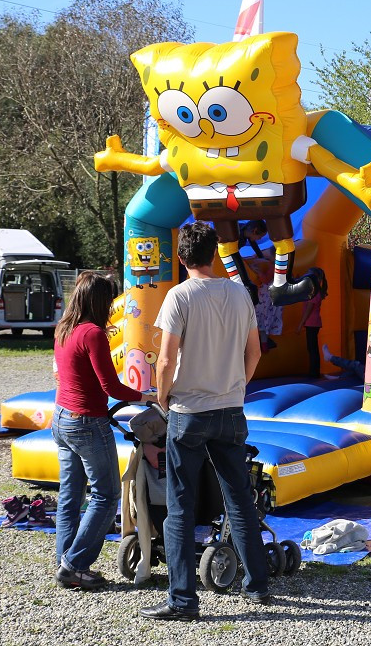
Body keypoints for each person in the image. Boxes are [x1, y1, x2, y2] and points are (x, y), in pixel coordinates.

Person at [139, 221, 268, 622]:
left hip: (188, 412)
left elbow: (165, 359)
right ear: (215, 254)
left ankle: (183, 600)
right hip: (230, 409)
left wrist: (163, 397)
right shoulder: (239, 293)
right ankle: (257, 585)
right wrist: (234, 387)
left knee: (180, 505)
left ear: (181, 257)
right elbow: (255, 353)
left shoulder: (179, 296)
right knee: (240, 499)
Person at [52, 271, 144, 590]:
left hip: (62, 418)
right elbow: (111, 386)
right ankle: (74, 565)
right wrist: (148, 395)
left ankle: (66, 560)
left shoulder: (64, 329)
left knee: (70, 495)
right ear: (101, 301)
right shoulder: (93, 334)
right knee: (106, 494)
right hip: (87, 422)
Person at [296, 268, 328, 379]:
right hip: (313, 323)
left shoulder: (314, 294)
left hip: (312, 323)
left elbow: (308, 310)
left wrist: (301, 324)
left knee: (312, 348)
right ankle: (314, 371)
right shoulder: (314, 291)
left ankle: (314, 373)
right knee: (311, 347)